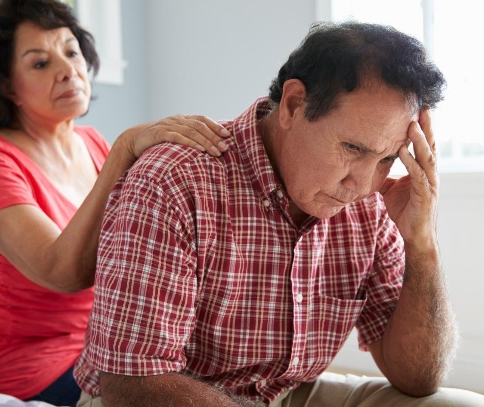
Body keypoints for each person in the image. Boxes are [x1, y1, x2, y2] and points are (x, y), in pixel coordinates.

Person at [74, 21, 484, 406]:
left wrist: (421, 243)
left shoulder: (371, 202)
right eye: (353, 148)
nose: (362, 185)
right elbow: (132, 382)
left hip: (285, 392)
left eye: (387, 158)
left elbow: (417, 378)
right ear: (293, 104)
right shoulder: (174, 180)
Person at [0, 0, 231, 405]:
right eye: (40, 63)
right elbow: (62, 273)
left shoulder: (92, 143)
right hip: (25, 368)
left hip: (102, 346)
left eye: (71, 52)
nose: (68, 70)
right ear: (8, 86)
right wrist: (125, 149)